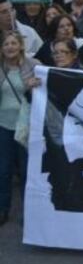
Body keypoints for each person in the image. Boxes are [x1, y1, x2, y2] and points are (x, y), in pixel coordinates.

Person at [0, 31, 40, 226]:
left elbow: (46, 86)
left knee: (26, 171)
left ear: (21, 46)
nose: (10, 47)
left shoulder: (34, 66)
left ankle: (29, 212)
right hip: (3, 126)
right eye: (6, 44)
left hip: (27, 126)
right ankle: (3, 209)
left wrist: (35, 85)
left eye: (13, 43)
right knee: (3, 170)